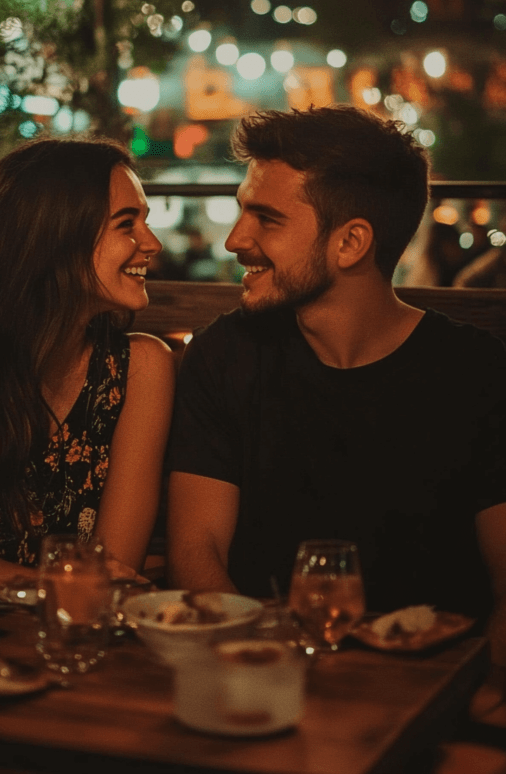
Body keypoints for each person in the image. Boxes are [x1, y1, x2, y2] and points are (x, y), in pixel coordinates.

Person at [167, 106, 506, 662]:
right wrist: (261, 665)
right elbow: (195, 551)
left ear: (351, 243)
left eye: (266, 219)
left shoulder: (475, 373)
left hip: (427, 685)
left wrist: (482, 696)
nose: (234, 240)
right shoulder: (225, 354)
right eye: (240, 213)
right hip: (260, 672)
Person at [0, 137, 175, 593]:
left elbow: (113, 568)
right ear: (58, 237)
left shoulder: (139, 368)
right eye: (127, 224)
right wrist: (53, 586)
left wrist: (61, 592)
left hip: (80, 633)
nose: (152, 243)